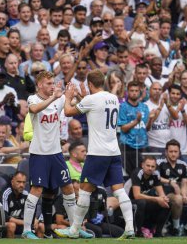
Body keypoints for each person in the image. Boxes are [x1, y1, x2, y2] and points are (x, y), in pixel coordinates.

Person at [56, 69, 134, 239]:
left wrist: (69, 96)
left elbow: (68, 112)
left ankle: (74, 230)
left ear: (90, 84)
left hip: (97, 153)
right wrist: (82, 98)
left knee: (84, 191)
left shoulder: (92, 99)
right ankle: (130, 227)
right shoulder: (113, 98)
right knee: (119, 190)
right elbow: (96, 109)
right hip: (114, 152)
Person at [22, 71, 76, 239]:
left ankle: (75, 228)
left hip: (56, 154)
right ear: (39, 85)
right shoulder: (33, 99)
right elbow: (34, 109)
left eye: (53, 82)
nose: (52, 86)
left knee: (68, 187)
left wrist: (75, 94)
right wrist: (54, 97)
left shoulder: (58, 99)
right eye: (48, 83)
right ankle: (26, 230)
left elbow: (71, 108)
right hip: (39, 153)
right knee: (36, 189)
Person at [130, 156, 171, 238]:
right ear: (142, 165)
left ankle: (158, 233)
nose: (150, 168)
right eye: (148, 165)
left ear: (155, 167)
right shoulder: (137, 173)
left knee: (168, 204)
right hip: (129, 201)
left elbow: (161, 193)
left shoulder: (156, 175)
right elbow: (137, 196)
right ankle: (138, 232)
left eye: (152, 166)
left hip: (144, 201)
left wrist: (164, 199)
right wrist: (156, 199)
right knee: (141, 202)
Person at [118, 81, 151, 175]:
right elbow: (123, 128)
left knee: (143, 174)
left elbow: (146, 128)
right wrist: (136, 121)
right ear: (127, 92)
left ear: (139, 92)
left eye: (136, 90)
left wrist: (151, 119)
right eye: (132, 90)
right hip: (127, 146)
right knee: (132, 174)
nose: (134, 93)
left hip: (142, 145)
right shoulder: (123, 107)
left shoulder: (144, 107)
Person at [1, 171, 44, 238]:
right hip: (4, 224)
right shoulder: (6, 194)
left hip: (21, 223)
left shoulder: (26, 194)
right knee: (12, 225)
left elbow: (33, 211)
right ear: (12, 182)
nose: (21, 185)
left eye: (24, 182)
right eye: (19, 182)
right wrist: (25, 223)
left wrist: (35, 219)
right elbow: (5, 217)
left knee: (41, 226)